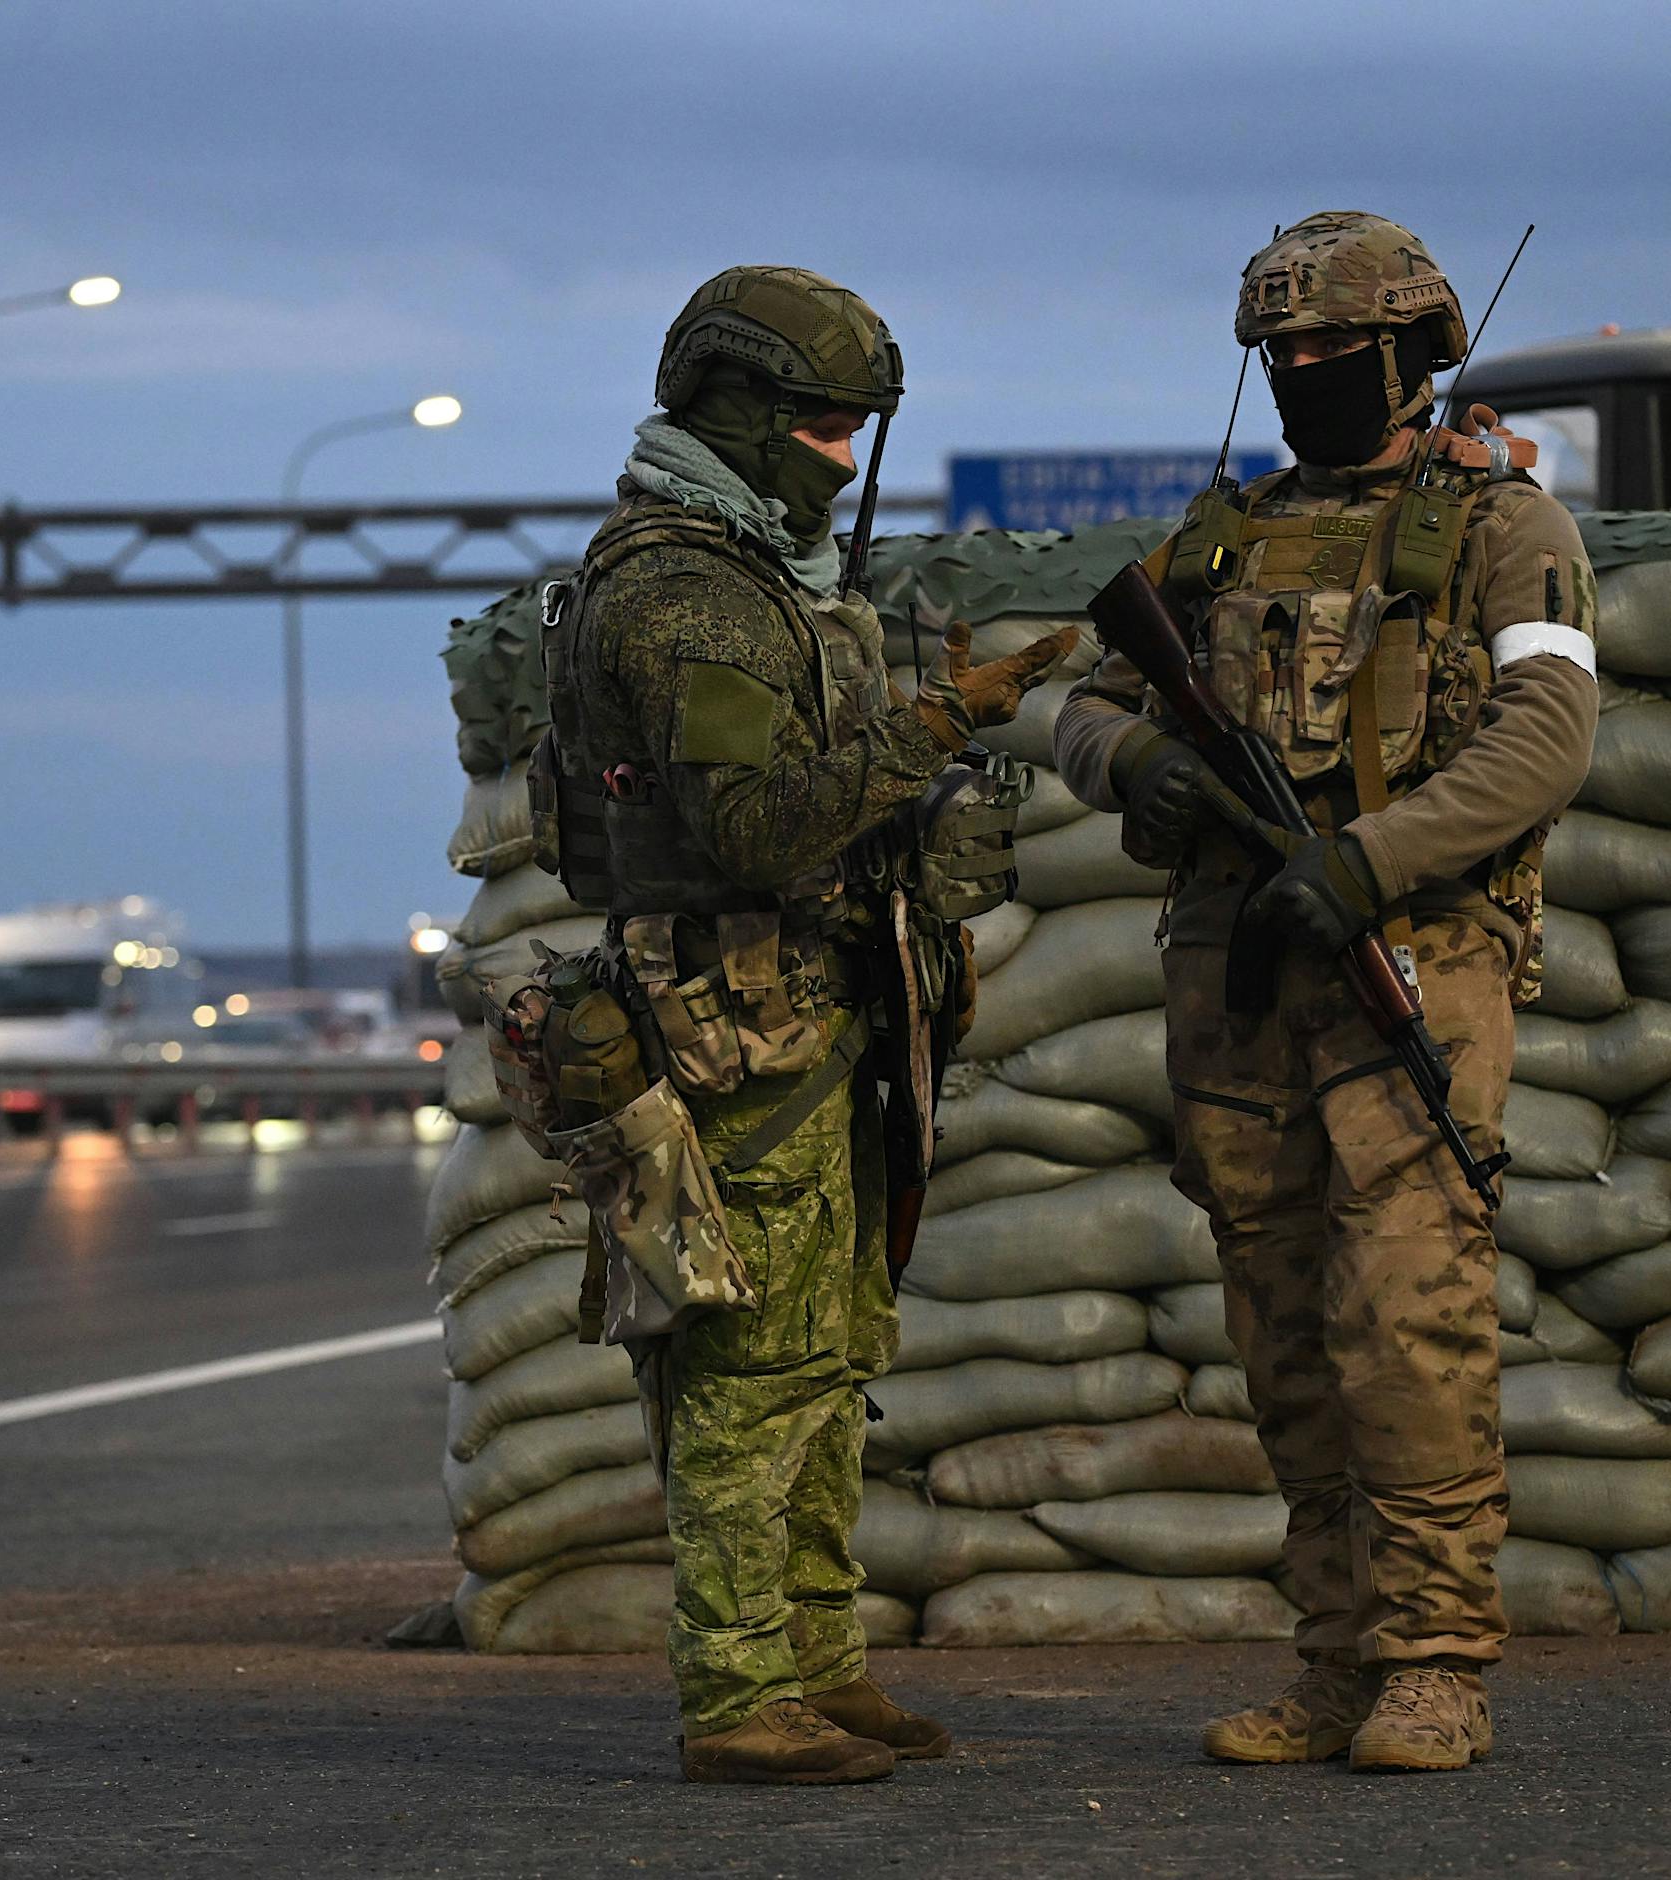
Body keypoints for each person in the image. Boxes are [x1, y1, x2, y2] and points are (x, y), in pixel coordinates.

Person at [1053, 213, 1598, 1773]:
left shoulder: (1502, 527)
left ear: (1412, 351)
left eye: (1332, 355)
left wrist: (1374, 860)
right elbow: (1087, 709)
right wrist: (1141, 765)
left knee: (1404, 1318)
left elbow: (1547, 738)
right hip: (1237, 973)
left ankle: (1435, 1662)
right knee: (1283, 1323)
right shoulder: (1220, 539)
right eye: (1280, 358)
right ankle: (1339, 1656)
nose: (1303, 378)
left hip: (1407, 964)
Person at [536, 265, 1072, 1783]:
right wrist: (933, 725)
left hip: (813, 1012)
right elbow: (762, 829)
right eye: (822, 428)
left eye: (858, 431)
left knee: (833, 1355)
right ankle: (734, 1691)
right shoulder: (687, 594)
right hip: (730, 1028)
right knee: (748, 1366)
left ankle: (821, 1663)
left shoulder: (759, 575)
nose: (843, 459)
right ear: (736, 414)